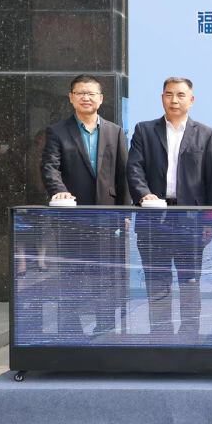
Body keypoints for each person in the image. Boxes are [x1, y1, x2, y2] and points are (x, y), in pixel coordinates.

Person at [127, 77, 212, 336]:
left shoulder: (206, 134)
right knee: (157, 283)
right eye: (169, 94)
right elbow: (134, 169)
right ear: (162, 98)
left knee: (190, 283)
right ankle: (161, 340)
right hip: (153, 218)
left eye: (180, 95)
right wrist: (144, 195)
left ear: (191, 100)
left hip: (190, 221)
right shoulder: (144, 130)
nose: (174, 100)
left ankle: (189, 339)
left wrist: (210, 222)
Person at [40, 75, 130, 337]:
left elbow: (124, 173)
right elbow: (50, 167)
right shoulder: (57, 131)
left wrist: (125, 212)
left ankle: (106, 324)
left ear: (100, 99)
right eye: (80, 93)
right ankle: (70, 329)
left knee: (106, 272)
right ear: (71, 97)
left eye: (91, 93)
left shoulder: (115, 131)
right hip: (71, 216)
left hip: (107, 215)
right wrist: (59, 192)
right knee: (72, 272)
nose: (86, 98)